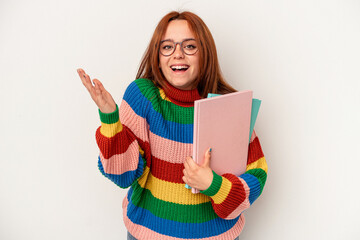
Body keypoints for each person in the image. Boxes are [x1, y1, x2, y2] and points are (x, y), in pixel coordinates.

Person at [77, 11, 267, 240]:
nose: (177, 54)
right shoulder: (143, 98)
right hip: (147, 234)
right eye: (167, 47)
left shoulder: (229, 105)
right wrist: (110, 118)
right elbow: (122, 174)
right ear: (157, 55)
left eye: (189, 46)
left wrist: (214, 185)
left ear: (204, 53)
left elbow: (257, 175)